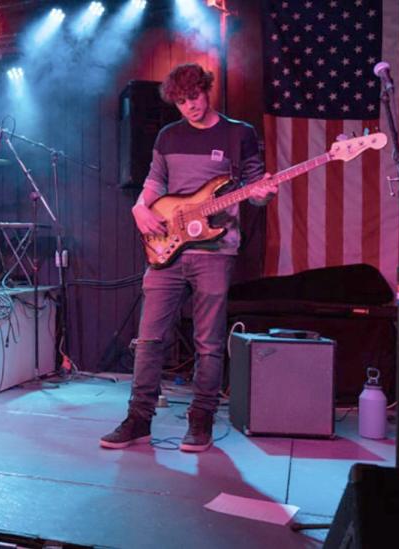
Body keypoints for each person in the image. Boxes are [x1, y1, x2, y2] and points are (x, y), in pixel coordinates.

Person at [99, 63, 278, 453]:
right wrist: (139, 208)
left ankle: (200, 421)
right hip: (168, 248)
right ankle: (139, 419)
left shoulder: (238, 133)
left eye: (193, 97)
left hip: (216, 250)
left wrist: (264, 192)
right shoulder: (168, 136)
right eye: (181, 102)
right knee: (148, 339)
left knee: (209, 343)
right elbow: (154, 183)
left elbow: (254, 188)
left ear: (206, 89)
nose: (190, 107)